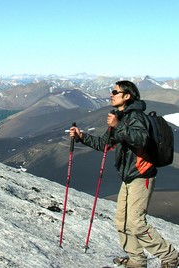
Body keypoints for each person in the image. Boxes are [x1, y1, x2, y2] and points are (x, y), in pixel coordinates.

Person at [70, 80, 179, 268]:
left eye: (115, 92)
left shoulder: (135, 117)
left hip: (142, 175)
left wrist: (118, 125)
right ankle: (136, 260)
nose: (111, 94)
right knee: (122, 221)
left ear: (127, 96)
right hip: (129, 176)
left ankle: (170, 257)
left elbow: (141, 139)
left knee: (136, 222)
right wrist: (82, 137)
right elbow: (105, 144)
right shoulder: (119, 117)